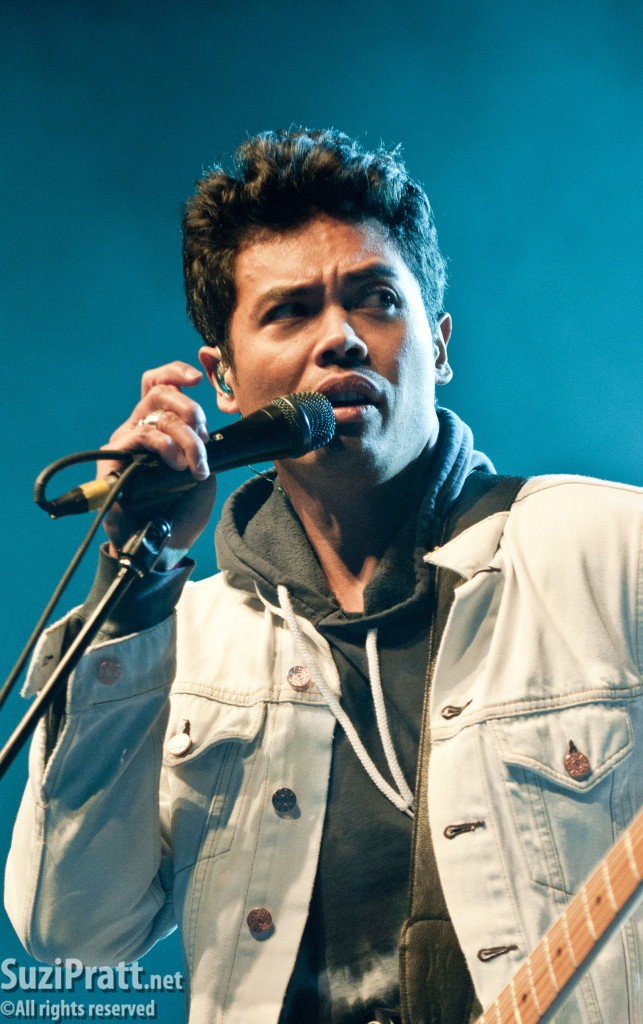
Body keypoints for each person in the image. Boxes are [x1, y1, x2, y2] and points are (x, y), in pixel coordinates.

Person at [5, 128, 641, 1024]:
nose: (340, 338)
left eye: (376, 300)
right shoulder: (183, 641)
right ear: (222, 382)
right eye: (289, 312)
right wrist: (134, 584)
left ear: (439, 345)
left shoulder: (610, 551)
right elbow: (72, 931)